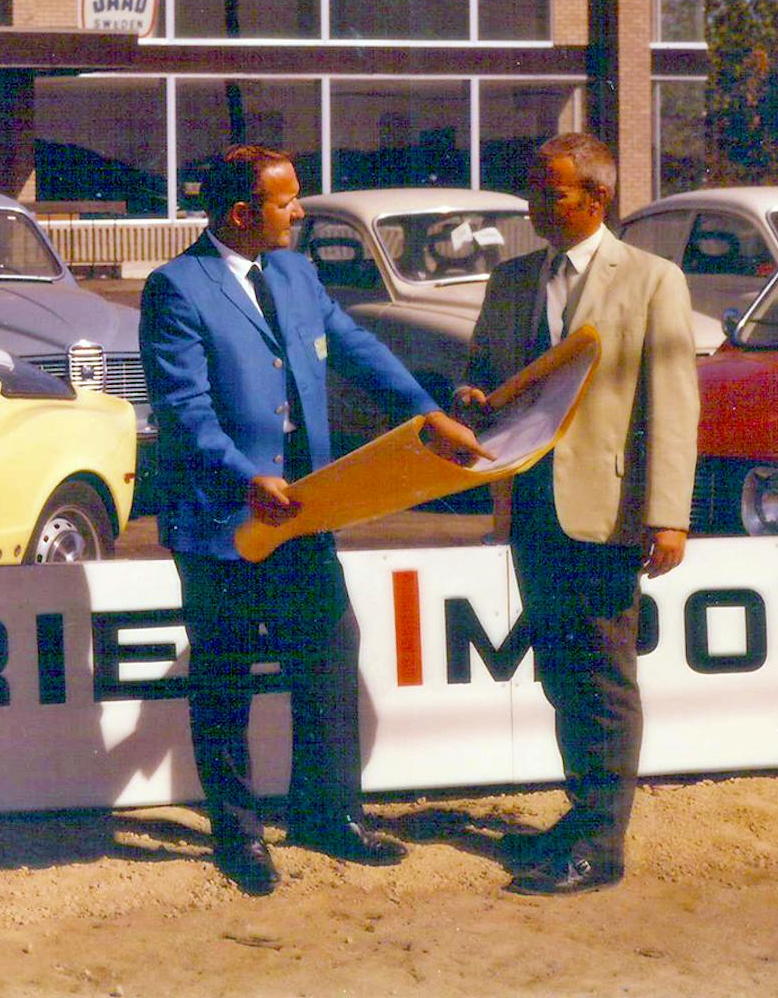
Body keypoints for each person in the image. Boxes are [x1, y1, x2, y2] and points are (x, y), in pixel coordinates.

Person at [140, 144, 486, 896]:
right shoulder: (176, 289)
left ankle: (328, 815)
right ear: (242, 213)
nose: (300, 210)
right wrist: (244, 478)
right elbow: (184, 410)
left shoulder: (297, 272)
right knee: (225, 677)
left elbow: (357, 349)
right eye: (287, 199)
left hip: (310, 510)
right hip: (225, 521)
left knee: (330, 656)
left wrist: (426, 414)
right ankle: (239, 834)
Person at [455, 131, 699, 896]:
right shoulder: (511, 280)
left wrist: (668, 514)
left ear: (597, 198)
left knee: (601, 673)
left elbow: (674, 405)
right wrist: (471, 401)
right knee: (561, 670)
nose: (535, 205)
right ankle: (584, 809)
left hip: (609, 511)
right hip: (531, 506)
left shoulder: (654, 280)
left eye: (550, 191)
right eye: (532, 190)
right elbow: (485, 377)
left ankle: (602, 843)